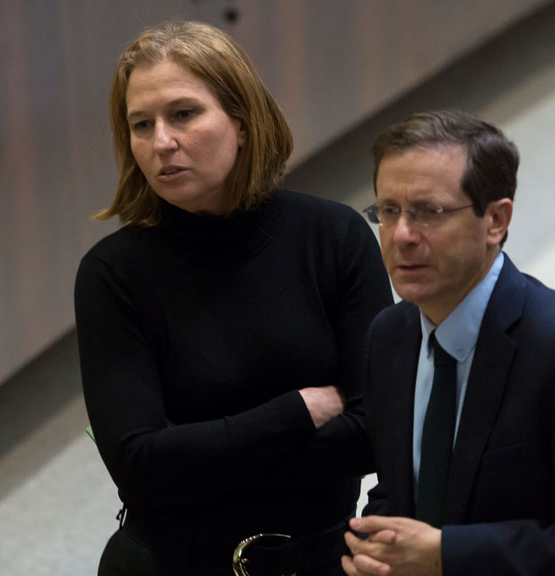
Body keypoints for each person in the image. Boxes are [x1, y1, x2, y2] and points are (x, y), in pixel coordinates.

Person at [74, 20, 393, 575]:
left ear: (242, 122)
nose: (161, 143)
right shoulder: (112, 274)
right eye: (140, 125)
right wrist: (301, 410)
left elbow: (380, 432)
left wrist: (198, 458)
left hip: (320, 559)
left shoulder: (333, 237)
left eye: (183, 114)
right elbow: (140, 467)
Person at [342, 110, 555, 576]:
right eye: (389, 210)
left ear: (496, 220)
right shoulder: (389, 336)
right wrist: (379, 545)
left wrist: (448, 556)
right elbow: (405, 486)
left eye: (429, 212)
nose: (401, 236)